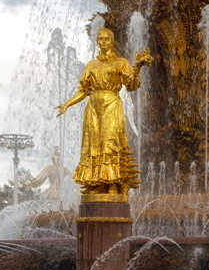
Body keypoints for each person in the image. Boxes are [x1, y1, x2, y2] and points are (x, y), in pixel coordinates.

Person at [56, 27, 152, 198]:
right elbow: (84, 90)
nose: (103, 41)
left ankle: (113, 183)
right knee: (93, 145)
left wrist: (137, 67)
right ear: (97, 42)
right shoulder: (91, 65)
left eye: (107, 39)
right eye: (100, 39)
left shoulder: (120, 63)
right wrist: (67, 104)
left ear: (112, 41)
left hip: (112, 103)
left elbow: (131, 86)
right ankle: (97, 183)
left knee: (110, 143)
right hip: (93, 106)